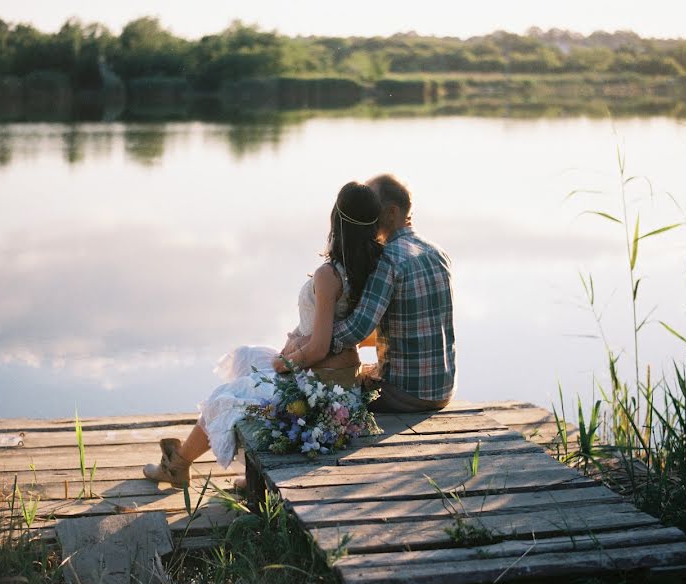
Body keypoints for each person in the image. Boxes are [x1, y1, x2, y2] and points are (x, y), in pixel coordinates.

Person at [144, 182, 383, 485]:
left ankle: (176, 466)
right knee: (249, 355)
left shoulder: (330, 275)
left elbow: (321, 347)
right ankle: (243, 470)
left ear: (336, 219)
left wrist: (286, 362)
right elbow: (344, 330)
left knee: (227, 398)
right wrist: (297, 340)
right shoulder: (372, 269)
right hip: (340, 379)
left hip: (318, 385)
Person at [310, 174, 456, 412]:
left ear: (391, 212)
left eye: (372, 208)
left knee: (316, 381)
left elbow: (355, 330)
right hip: (442, 391)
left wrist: (311, 337)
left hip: (406, 393)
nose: (366, 216)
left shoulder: (389, 259)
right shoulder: (437, 252)